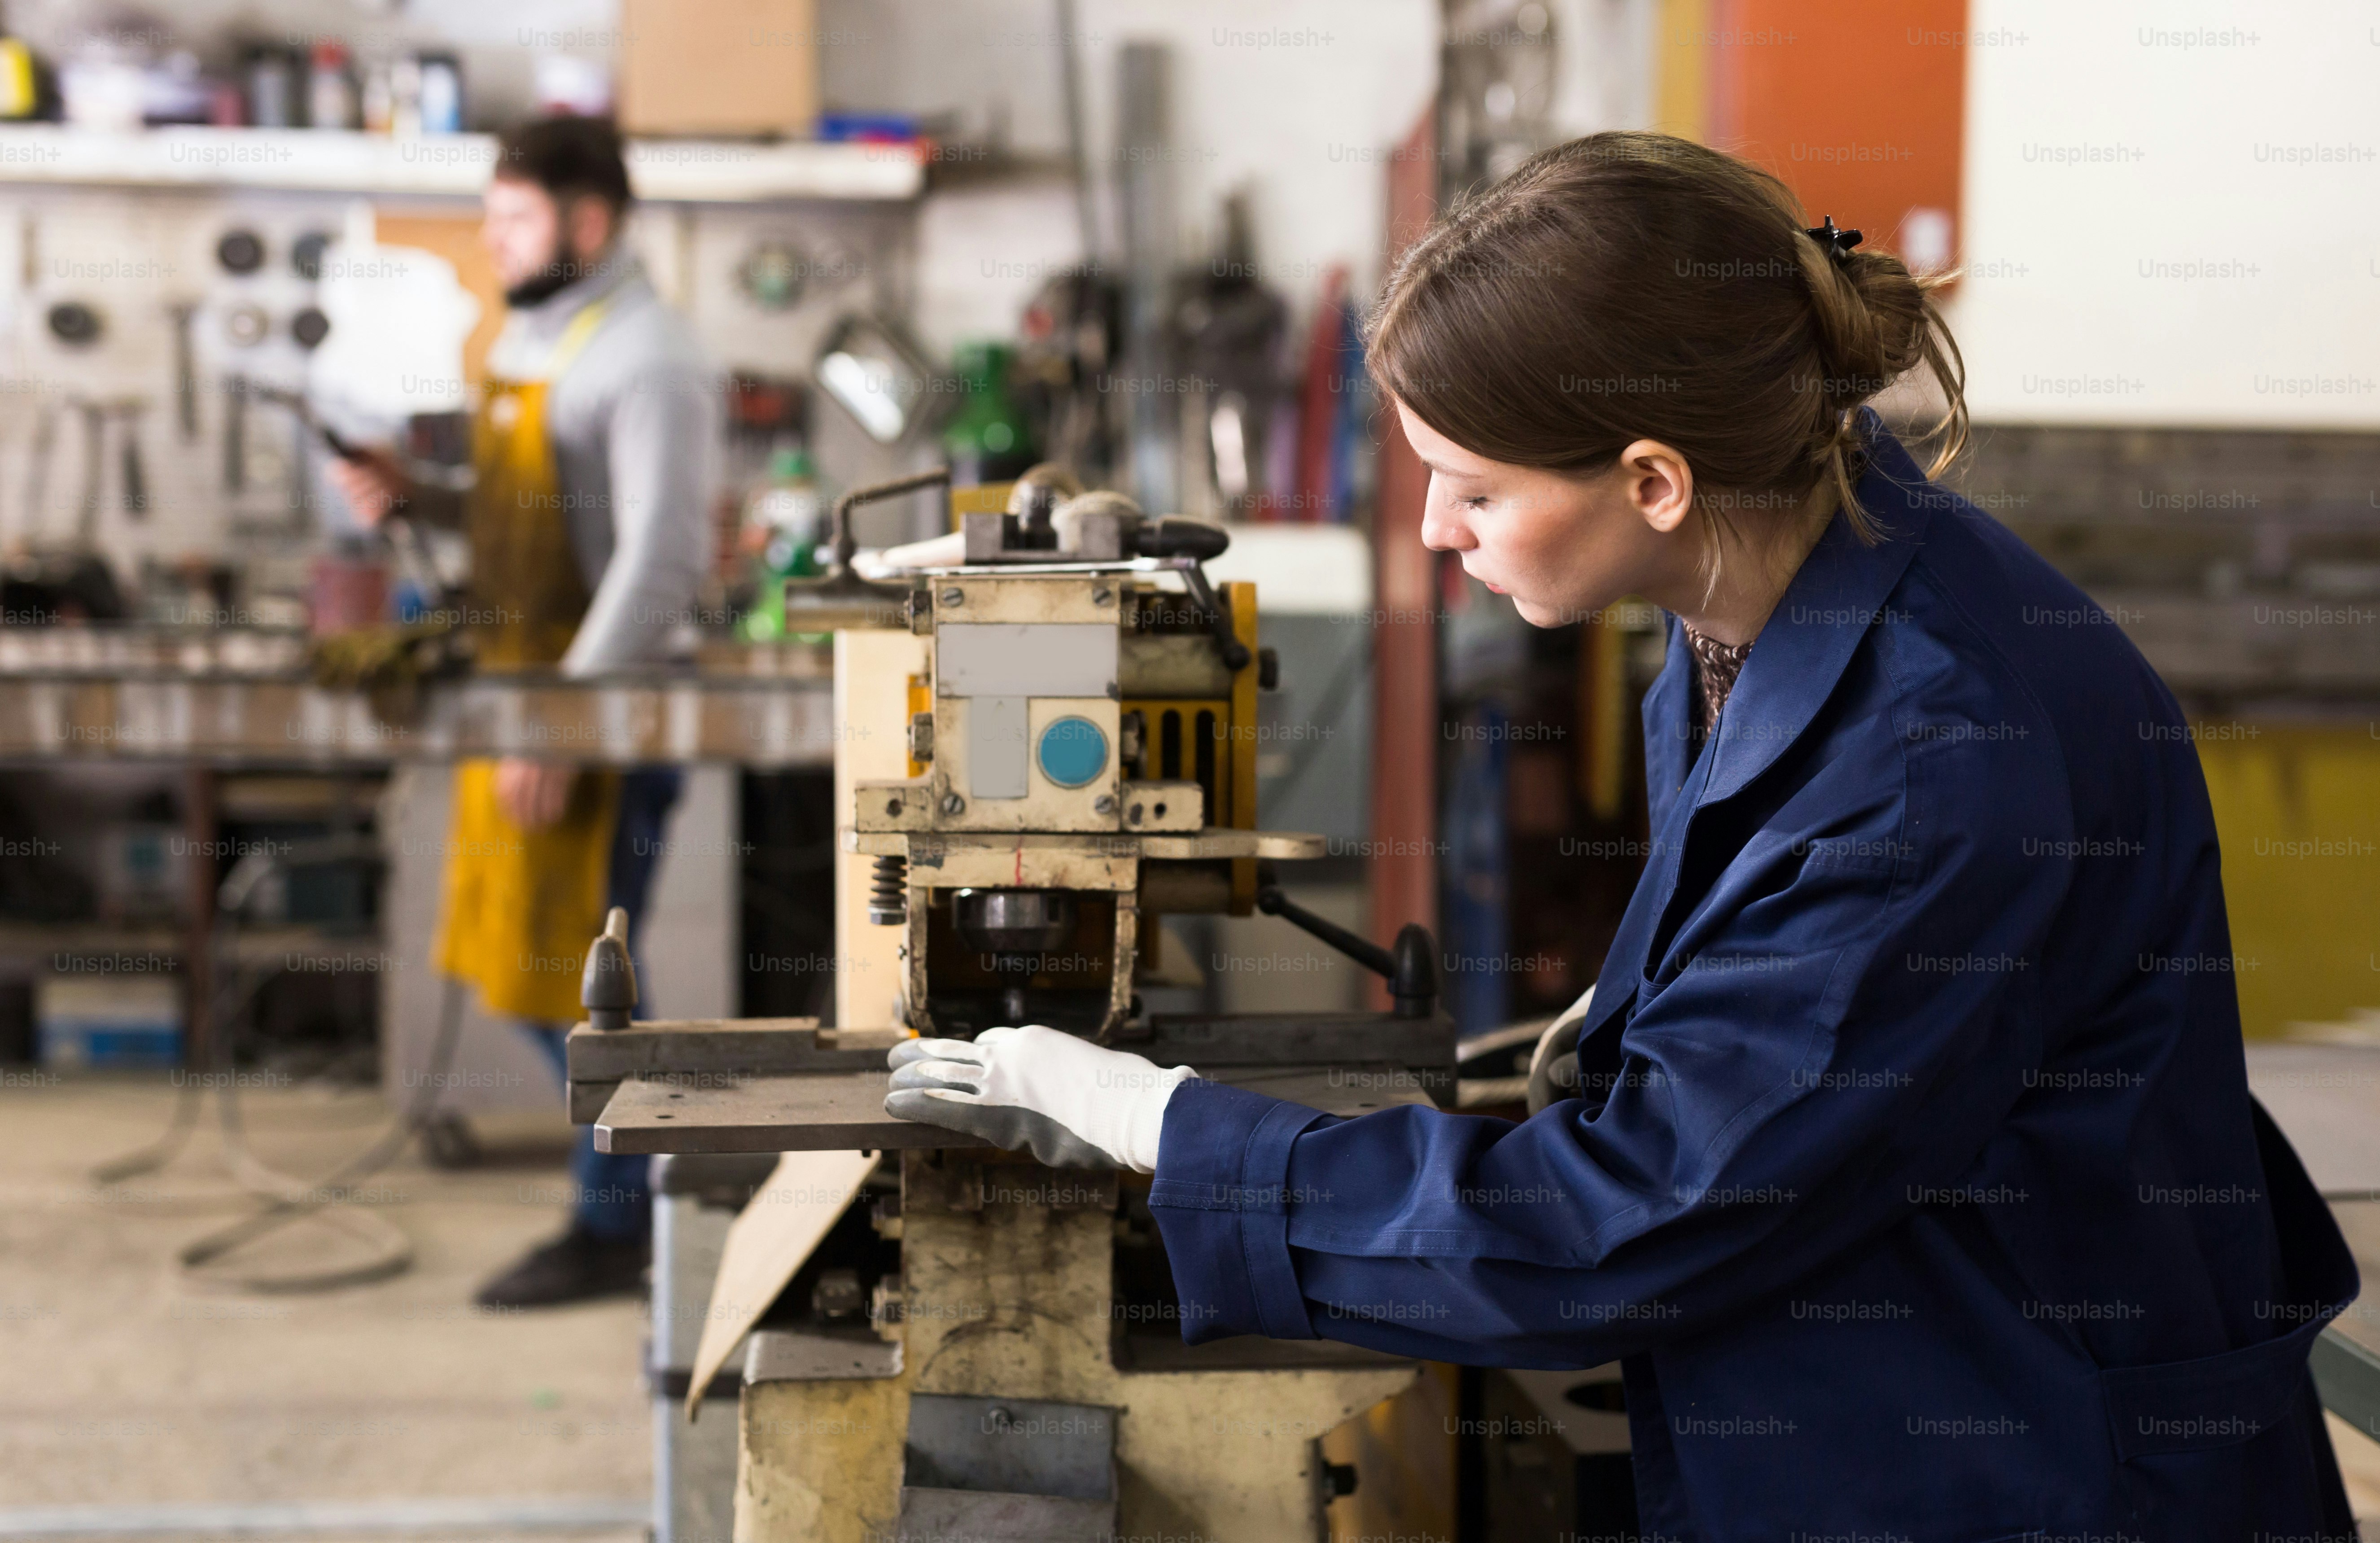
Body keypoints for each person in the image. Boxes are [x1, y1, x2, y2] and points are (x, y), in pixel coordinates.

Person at [880, 133, 2359, 1539]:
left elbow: (1632, 1216)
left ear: (1653, 479)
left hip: (2018, 1464)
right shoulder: (1764, 591)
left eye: (1474, 490)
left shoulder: (1937, 756)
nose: (1433, 534)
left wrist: (1170, 1129)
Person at [330, 114, 717, 1308]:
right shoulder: (546, 338)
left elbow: (662, 562)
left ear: (588, 221)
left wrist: (562, 720)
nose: (492, 242)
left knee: (573, 982)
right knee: (522, 970)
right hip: (528, 703)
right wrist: (422, 495)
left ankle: (631, 1217)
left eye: (514, 219)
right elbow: (528, 516)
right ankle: (646, 1197)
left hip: (590, 722)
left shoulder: (650, 357)